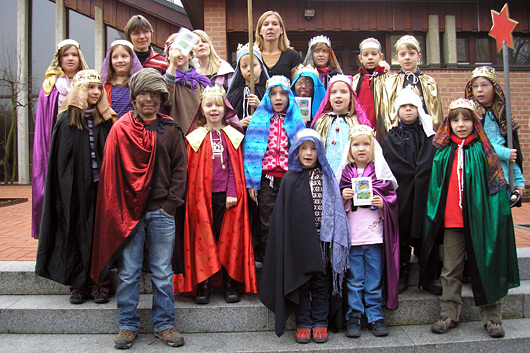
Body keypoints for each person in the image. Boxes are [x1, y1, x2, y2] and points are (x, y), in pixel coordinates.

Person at [90, 68, 188, 349]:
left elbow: (180, 170)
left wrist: (170, 205)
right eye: (143, 94)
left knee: (161, 271)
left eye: (155, 94)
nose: (149, 100)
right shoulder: (121, 129)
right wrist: (120, 209)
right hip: (129, 213)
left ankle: (164, 324)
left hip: (161, 212)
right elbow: (112, 174)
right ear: (134, 97)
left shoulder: (170, 129)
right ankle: (127, 325)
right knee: (129, 271)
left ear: (161, 98)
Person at [419, 98, 519, 338]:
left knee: (486, 265)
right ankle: (448, 313)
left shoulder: (483, 150)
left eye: (466, 119)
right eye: (455, 120)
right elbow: (435, 188)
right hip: (453, 222)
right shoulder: (443, 151)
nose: (461, 124)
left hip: (480, 220)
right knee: (450, 269)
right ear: (449, 123)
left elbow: (495, 187)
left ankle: (492, 316)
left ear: (475, 122)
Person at [259, 128, 350, 343]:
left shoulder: (327, 177)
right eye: (303, 149)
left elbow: (335, 210)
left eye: (313, 149)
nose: (308, 153)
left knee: (320, 283)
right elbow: (284, 217)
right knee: (301, 283)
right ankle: (303, 322)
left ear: (320, 151)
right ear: (296, 152)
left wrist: (332, 237)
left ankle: (320, 321)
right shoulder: (290, 179)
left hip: (321, 242)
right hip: (298, 243)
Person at [35, 70, 116, 304]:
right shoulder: (66, 120)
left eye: (98, 88)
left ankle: (100, 282)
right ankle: (78, 283)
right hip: (74, 188)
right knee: (76, 229)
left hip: (101, 187)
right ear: (79, 90)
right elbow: (59, 160)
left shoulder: (106, 119)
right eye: (90, 87)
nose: (95, 92)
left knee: (99, 233)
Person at [174, 86, 257, 304]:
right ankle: (204, 283)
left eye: (218, 105)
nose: (213, 109)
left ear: (225, 108)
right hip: (202, 199)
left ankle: (230, 283)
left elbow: (234, 169)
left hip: (228, 198)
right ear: (201, 109)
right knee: (204, 239)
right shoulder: (194, 138)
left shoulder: (234, 136)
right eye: (209, 105)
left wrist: (232, 192)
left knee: (228, 239)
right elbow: (190, 173)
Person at [339, 124, 399, 338]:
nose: (361, 148)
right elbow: (335, 203)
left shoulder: (381, 173)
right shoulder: (345, 173)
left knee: (374, 278)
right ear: (349, 148)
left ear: (374, 147)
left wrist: (383, 202)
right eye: (356, 144)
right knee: (354, 279)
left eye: (366, 144)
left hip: (374, 237)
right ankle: (354, 314)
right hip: (353, 238)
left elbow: (392, 198)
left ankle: (375, 315)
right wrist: (343, 196)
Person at [242, 75, 305, 264]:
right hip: (266, 179)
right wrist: (252, 182)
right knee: (267, 222)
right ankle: (271, 264)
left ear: (289, 97)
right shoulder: (259, 120)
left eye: (283, 94)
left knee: (290, 220)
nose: (278, 98)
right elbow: (251, 154)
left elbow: (303, 151)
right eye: (273, 94)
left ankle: (289, 263)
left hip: (290, 178)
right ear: (267, 97)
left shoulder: (295, 120)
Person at [32, 39, 88, 240]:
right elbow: (43, 122)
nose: (70, 58)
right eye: (66, 55)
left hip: (82, 145)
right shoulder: (50, 87)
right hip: (59, 144)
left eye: (74, 54)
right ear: (59, 59)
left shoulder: (88, 82)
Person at [382, 87, 436, 294]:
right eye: (403, 106)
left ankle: (428, 276)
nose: (408, 110)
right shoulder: (392, 136)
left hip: (423, 192)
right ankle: (401, 272)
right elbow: (391, 163)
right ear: (397, 111)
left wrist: (420, 174)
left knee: (425, 231)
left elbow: (430, 160)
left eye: (412, 106)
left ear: (418, 110)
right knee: (402, 233)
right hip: (402, 193)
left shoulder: (429, 136)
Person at [464, 66, 525, 199]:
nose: (479, 90)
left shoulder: (503, 117)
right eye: (475, 86)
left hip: (502, 178)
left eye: (484, 85)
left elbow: (513, 154)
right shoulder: (468, 117)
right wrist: (504, 153)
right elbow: (476, 143)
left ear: (494, 88)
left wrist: (518, 181)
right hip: (478, 177)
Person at [383, 35, 443, 136]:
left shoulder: (429, 82)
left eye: (411, 54)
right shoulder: (390, 82)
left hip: (424, 134)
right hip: (399, 135)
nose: (407, 58)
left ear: (418, 56)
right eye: (403, 54)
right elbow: (387, 112)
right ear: (397, 58)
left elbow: (436, 113)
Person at [311, 75, 371, 174]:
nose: (338, 95)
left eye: (343, 92)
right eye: (334, 92)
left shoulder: (357, 123)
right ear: (328, 98)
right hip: (326, 175)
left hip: (351, 176)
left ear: (351, 97)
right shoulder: (322, 122)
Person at [164, 32, 211, 135]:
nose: (178, 54)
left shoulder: (201, 82)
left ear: (190, 55)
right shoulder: (165, 81)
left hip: (199, 138)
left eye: (182, 49)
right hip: (176, 137)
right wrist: (172, 66)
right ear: (168, 55)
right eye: (173, 50)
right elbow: (166, 100)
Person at [352, 38, 389, 144]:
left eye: (374, 54)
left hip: (382, 131)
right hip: (360, 129)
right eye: (366, 55)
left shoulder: (388, 80)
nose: (370, 58)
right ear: (360, 58)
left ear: (381, 56)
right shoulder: (354, 81)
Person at [227, 43, 270, 127]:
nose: (249, 69)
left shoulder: (267, 92)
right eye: (244, 66)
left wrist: (260, 105)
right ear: (240, 70)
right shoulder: (235, 94)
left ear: (261, 67)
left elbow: (276, 115)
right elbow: (227, 118)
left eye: (253, 65)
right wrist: (239, 123)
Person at [100, 40, 143, 118]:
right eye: (115, 57)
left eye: (124, 56)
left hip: (133, 126)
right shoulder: (105, 85)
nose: (119, 60)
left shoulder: (138, 84)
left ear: (132, 59)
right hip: (111, 127)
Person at [255, 11, 302, 79]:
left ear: (281, 30)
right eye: (266, 24)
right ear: (260, 31)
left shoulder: (293, 57)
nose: (270, 27)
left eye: (274, 24)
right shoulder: (252, 56)